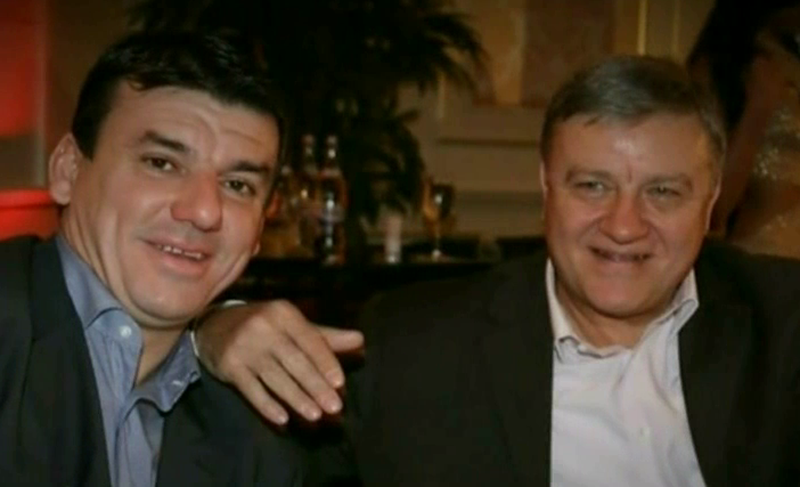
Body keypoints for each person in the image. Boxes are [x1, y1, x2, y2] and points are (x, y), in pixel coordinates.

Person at [197, 55, 800, 486]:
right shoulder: (412, 347)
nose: (624, 225)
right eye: (592, 186)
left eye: (663, 192)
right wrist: (209, 332)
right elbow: (242, 462)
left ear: (711, 200)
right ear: (546, 188)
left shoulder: (784, 325)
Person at [0, 31, 329, 486]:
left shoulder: (262, 433)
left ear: (258, 232)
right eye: (162, 163)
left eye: (238, 185)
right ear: (68, 170)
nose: (204, 211)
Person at [689, 0, 800, 258]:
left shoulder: (791, 62)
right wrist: (758, 109)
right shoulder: (724, 68)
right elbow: (710, 209)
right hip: (763, 260)